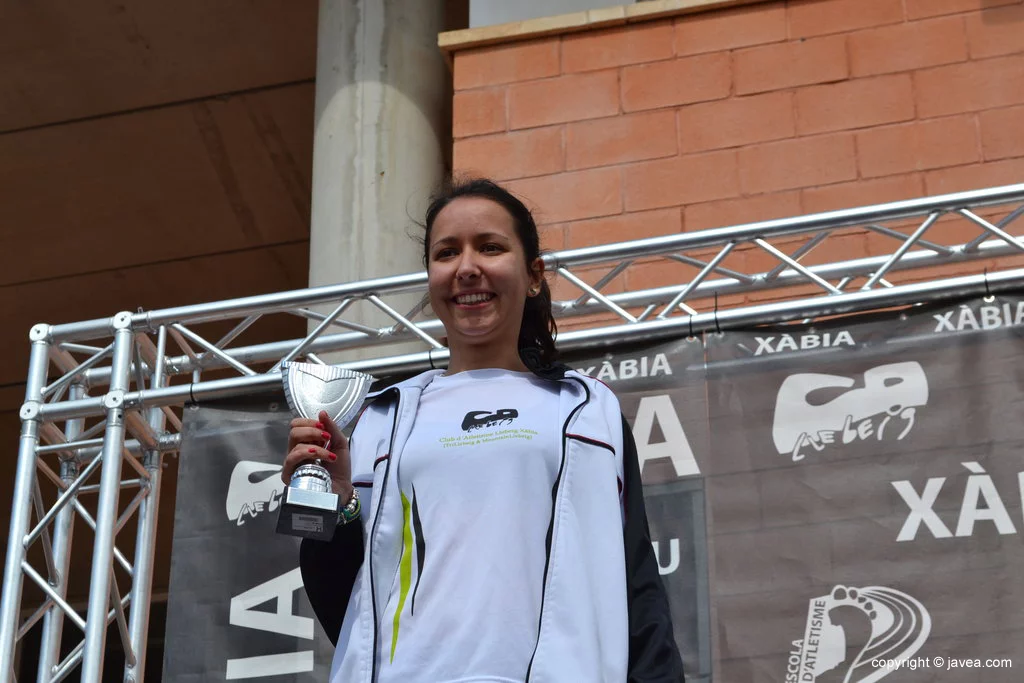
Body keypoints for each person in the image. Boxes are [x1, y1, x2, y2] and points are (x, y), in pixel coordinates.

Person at [281, 178, 684, 682]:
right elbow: (344, 605)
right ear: (430, 278)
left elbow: (637, 583)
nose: (467, 268)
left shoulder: (585, 407)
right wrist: (335, 503)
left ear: (534, 274)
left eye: (490, 247)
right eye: (446, 253)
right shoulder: (382, 416)